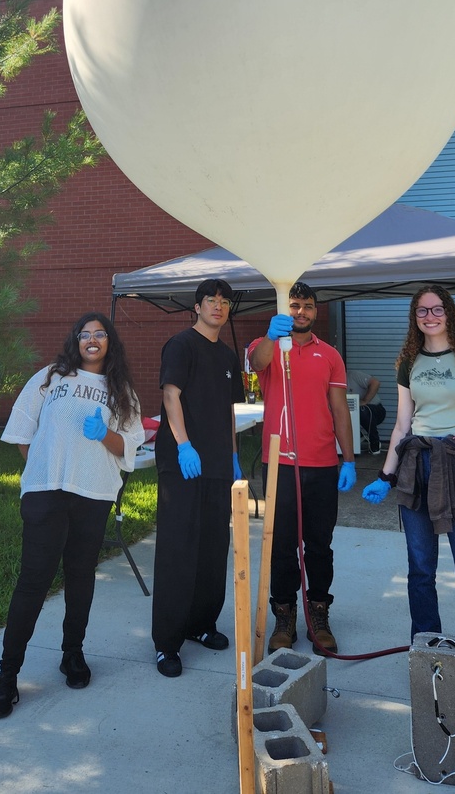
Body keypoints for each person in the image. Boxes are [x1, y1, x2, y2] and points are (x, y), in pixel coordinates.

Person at [0, 312, 144, 720]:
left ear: (109, 343)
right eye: (84, 334)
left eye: (100, 334)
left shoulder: (121, 390)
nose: (92, 339)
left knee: (80, 577)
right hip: (46, 493)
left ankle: (72, 654)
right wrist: (44, 466)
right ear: (75, 340)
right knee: (32, 582)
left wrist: (104, 434)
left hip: (92, 495)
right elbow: (22, 431)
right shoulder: (50, 377)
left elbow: (128, 448)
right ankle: (7, 675)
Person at [362, 284, 455, 710]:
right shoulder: (408, 362)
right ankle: (429, 657)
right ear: (415, 317)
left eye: (437, 309)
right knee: (420, 571)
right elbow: (402, 424)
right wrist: (386, 475)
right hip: (416, 468)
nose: (430, 316)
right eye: (422, 310)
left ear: (449, 313)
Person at [249, 282, 356, 656]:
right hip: (280, 462)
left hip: (322, 463)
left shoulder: (330, 355)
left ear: (315, 310)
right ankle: (284, 616)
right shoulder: (268, 346)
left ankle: (319, 615)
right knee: (281, 545)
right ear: (284, 308)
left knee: (319, 545)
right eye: (294, 305)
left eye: (307, 306)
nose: (300, 312)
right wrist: (270, 336)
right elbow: (256, 363)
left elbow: (339, 409)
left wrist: (349, 458)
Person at [152, 278, 245, 678]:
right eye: (211, 300)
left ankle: (201, 624)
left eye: (224, 301)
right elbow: (170, 395)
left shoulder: (227, 355)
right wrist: (184, 445)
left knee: (212, 547)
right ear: (197, 307)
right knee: (179, 548)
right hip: (183, 463)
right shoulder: (181, 345)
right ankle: (166, 643)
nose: (218, 306)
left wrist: (233, 455)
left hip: (218, 464)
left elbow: (229, 411)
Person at [347, 368, 386, 454]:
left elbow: (375, 382)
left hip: (375, 410)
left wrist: (365, 401)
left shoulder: (353, 375)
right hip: (352, 414)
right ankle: (358, 435)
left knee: (362, 409)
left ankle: (374, 442)